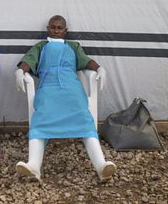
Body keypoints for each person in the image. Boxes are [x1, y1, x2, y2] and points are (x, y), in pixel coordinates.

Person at [14, 15, 116, 181]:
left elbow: (85, 61)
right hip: (48, 88)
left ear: (65, 31)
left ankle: (101, 166)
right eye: (52, 27)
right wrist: (21, 71)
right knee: (41, 118)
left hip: (72, 89)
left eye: (59, 28)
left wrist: (99, 68)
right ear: (48, 28)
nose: (55, 30)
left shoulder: (74, 46)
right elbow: (28, 60)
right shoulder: (41, 46)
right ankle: (33, 165)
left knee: (84, 117)